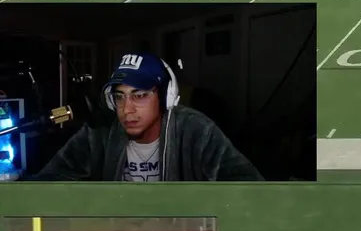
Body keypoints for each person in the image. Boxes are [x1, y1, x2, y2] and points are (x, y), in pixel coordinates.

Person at [28, 53, 263, 181]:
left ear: (165, 97)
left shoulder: (196, 130)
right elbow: (50, 178)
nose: (126, 109)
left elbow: (248, 184)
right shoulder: (100, 131)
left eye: (139, 95)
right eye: (119, 97)